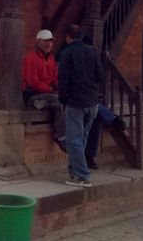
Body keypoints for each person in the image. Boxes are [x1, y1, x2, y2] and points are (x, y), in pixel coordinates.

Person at [57, 23, 103, 188]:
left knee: (73, 140)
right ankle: (74, 172)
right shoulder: (92, 51)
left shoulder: (67, 53)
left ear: (68, 37)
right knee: (81, 139)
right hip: (92, 101)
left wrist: (62, 100)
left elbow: (63, 80)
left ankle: (83, 176)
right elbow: (100, 76)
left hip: (76, 102)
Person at [21, 29, 65, 152]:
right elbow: (32, 81)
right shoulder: (31, 58)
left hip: (47, 93)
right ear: (39, 42)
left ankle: (42, 104)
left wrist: (57, 87)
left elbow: (55, 76)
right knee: (57, 101)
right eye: (46, 41)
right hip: (32, 93)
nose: (49, 44)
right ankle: (62, 137)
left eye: (51, 41)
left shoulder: (51, 58)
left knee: (64, 98)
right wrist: (51, 90)